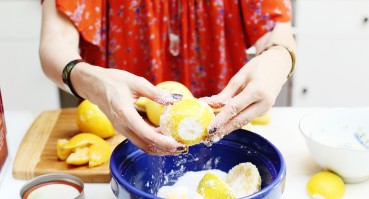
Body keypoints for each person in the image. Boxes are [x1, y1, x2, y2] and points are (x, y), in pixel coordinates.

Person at [39, 0, 296, 155]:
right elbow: (55, 42)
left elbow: (277, 31)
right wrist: (91, 81)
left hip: (223, 135)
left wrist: (278, 58)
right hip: (121, 131)